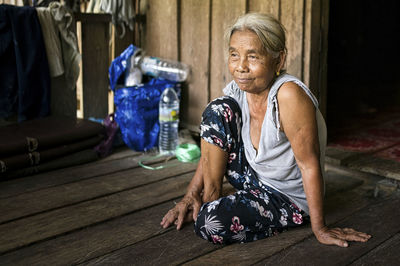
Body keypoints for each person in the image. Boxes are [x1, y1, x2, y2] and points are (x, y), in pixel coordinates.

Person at [161, 13, 371, 247]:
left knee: (209, 223)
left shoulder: (288, 95)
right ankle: (210, 198)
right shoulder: (238, 91)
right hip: (255, 179)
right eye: (234, 55)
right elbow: (215, 143)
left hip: (286, 198)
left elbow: (308, 164)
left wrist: (320, 229)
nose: (240, 67)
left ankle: (232, 210)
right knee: (217, 110)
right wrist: (190, 194)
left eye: (252, 57)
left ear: (278, 61)